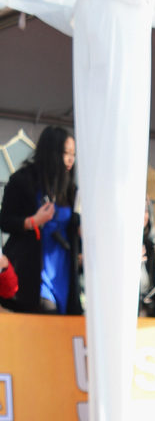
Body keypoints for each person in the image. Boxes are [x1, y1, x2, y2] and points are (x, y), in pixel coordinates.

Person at [0, 126, 81, 314]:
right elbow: (5, 221)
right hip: (34, 270)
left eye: (73, 154)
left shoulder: (70, 189)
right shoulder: (22, 181)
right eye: (66, 153)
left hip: (63, 269)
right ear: (51, 152)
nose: (71, 160)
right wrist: (32, 221)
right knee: (46, 314)